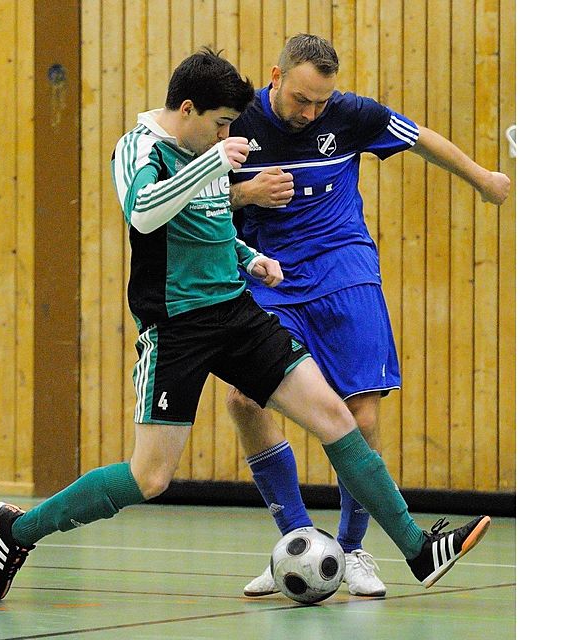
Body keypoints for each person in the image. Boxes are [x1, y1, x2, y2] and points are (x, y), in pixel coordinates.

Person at [0, 48, 491, 603]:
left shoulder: (208, 148)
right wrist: (214, 163)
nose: (229, 133)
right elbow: (144, 212)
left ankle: (417, 549)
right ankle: (19, 529)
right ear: (188, 109)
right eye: (221, 123)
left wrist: (250, 258)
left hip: (236, 314)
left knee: (335, 417)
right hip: (177, 329)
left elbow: (211, 224)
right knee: (150, 477)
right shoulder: (141, 147)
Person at [226, 34, 510, 598]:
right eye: (301, 99)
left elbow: (421, 138)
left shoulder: (350, 114)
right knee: (242, 401)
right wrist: (248, 194)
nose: (311, 113)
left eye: (320, 103)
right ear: (275, 76)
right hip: (269, 275)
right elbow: (198, 202)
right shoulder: (236, 124)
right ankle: (299, 544)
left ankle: (352, 550)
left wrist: (483, 179)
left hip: (344, 270)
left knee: (362, 411)